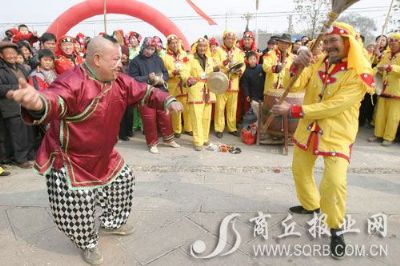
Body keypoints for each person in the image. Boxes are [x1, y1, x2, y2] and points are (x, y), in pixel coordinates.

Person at [5, 35, 183, 265]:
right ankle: (87, 243)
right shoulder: (72, 81)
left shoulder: (120, 81)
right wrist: (38, 103)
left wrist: (167, 100)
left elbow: (144, 91)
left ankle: (111, 223)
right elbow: (54, 99)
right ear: (97, 59)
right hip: (71, 160)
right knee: (78, 204)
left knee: (123, 180)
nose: (121, 63)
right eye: (116, 58)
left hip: (105, 155)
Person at [271, 22, 374, 259]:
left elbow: (335, 106)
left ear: (347, 42)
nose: (328, 46)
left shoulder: (360, 73)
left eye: (333, 42)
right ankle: (311, 205)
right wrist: (297, 64)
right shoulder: (319, 61)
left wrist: (294, 111)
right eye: (326, 42)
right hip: (309, 130)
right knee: (299, 170)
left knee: (334, 184)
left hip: (337, 134)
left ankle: (336, 229)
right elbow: (295, 83)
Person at [129, 37, 180, 154]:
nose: (150, 51)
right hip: (146, 94)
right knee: (149, 119)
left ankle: (168, 139)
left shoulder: (158, 59)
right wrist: (148, 78)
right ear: (143, 47)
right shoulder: (135, 61)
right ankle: (152, 143)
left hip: (161, 91)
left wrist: (163, 79)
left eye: (152, 49)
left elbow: (166, 73)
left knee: (165, 115)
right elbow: (132, 78)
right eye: (147, 48)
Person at [0, 41, 33, 168]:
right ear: (2, 56)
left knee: (25, 131)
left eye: (14, 53)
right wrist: (17, 87)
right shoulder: (2, 70)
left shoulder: (21, 67)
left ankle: (23, 156)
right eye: (8, 54)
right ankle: (20, 159)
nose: (12, 56)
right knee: (16, 133)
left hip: (24, 104)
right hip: (9, 106)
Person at [181, 37, 217, 151]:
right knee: (196, 118)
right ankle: (198, 141)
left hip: (209, 91)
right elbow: (183, 71)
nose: (202, 48)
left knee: (206, 117)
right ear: (196, 46)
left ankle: (205, 138)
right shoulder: (189, 58)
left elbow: (213, 71)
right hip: (196, 91)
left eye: (204, 46)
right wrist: (188, 79)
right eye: (200, 46)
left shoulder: (210, 59)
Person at [368, 33, 400, 146]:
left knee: (393, 117)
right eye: (390, 40)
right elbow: (379, 66)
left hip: (397, 92)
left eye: (394, 41)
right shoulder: (386, 55)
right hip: (383, 89)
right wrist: (374, 72)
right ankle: (378, 134)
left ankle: (388, 137)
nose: (391, 43)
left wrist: (390, 68)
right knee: (380, 115)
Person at [213, 30, 245, 138]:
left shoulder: (239, 52)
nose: (230, 40)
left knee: (232, 108)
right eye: (228, 38)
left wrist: (240, 71)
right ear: (224, 39)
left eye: (232, 39)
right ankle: (219, 128)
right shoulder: (218, 50)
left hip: (234, 83)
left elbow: (242, 64)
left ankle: (232, 128)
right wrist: (225, 62)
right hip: (221, 83)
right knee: (220, 107)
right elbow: (215, 63)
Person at [163, 34, 192, 138]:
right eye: (172, 43)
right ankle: (177, 130)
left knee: (187, 109)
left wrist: (185, 73)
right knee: (176, 110)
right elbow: (164, 72)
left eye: (176, 43)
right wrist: (173, 73)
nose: (174, 45)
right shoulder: (165, 57)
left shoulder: (184, 54)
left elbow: (189, 67)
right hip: (173, 87)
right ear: (168, 45)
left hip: (184, 86)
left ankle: (188, 128)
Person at [240, 51, 265, 123]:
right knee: (256, 109)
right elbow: (245, 84)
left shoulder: (261, 68)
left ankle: (260, 124)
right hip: (253, 95)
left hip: (263, 93)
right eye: (250, 59)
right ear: (247, 60)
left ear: (257, 59)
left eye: (254, 58)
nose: (253, 60)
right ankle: (259, 125)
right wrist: (247, 94)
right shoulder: (246, 72)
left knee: (263, 111)